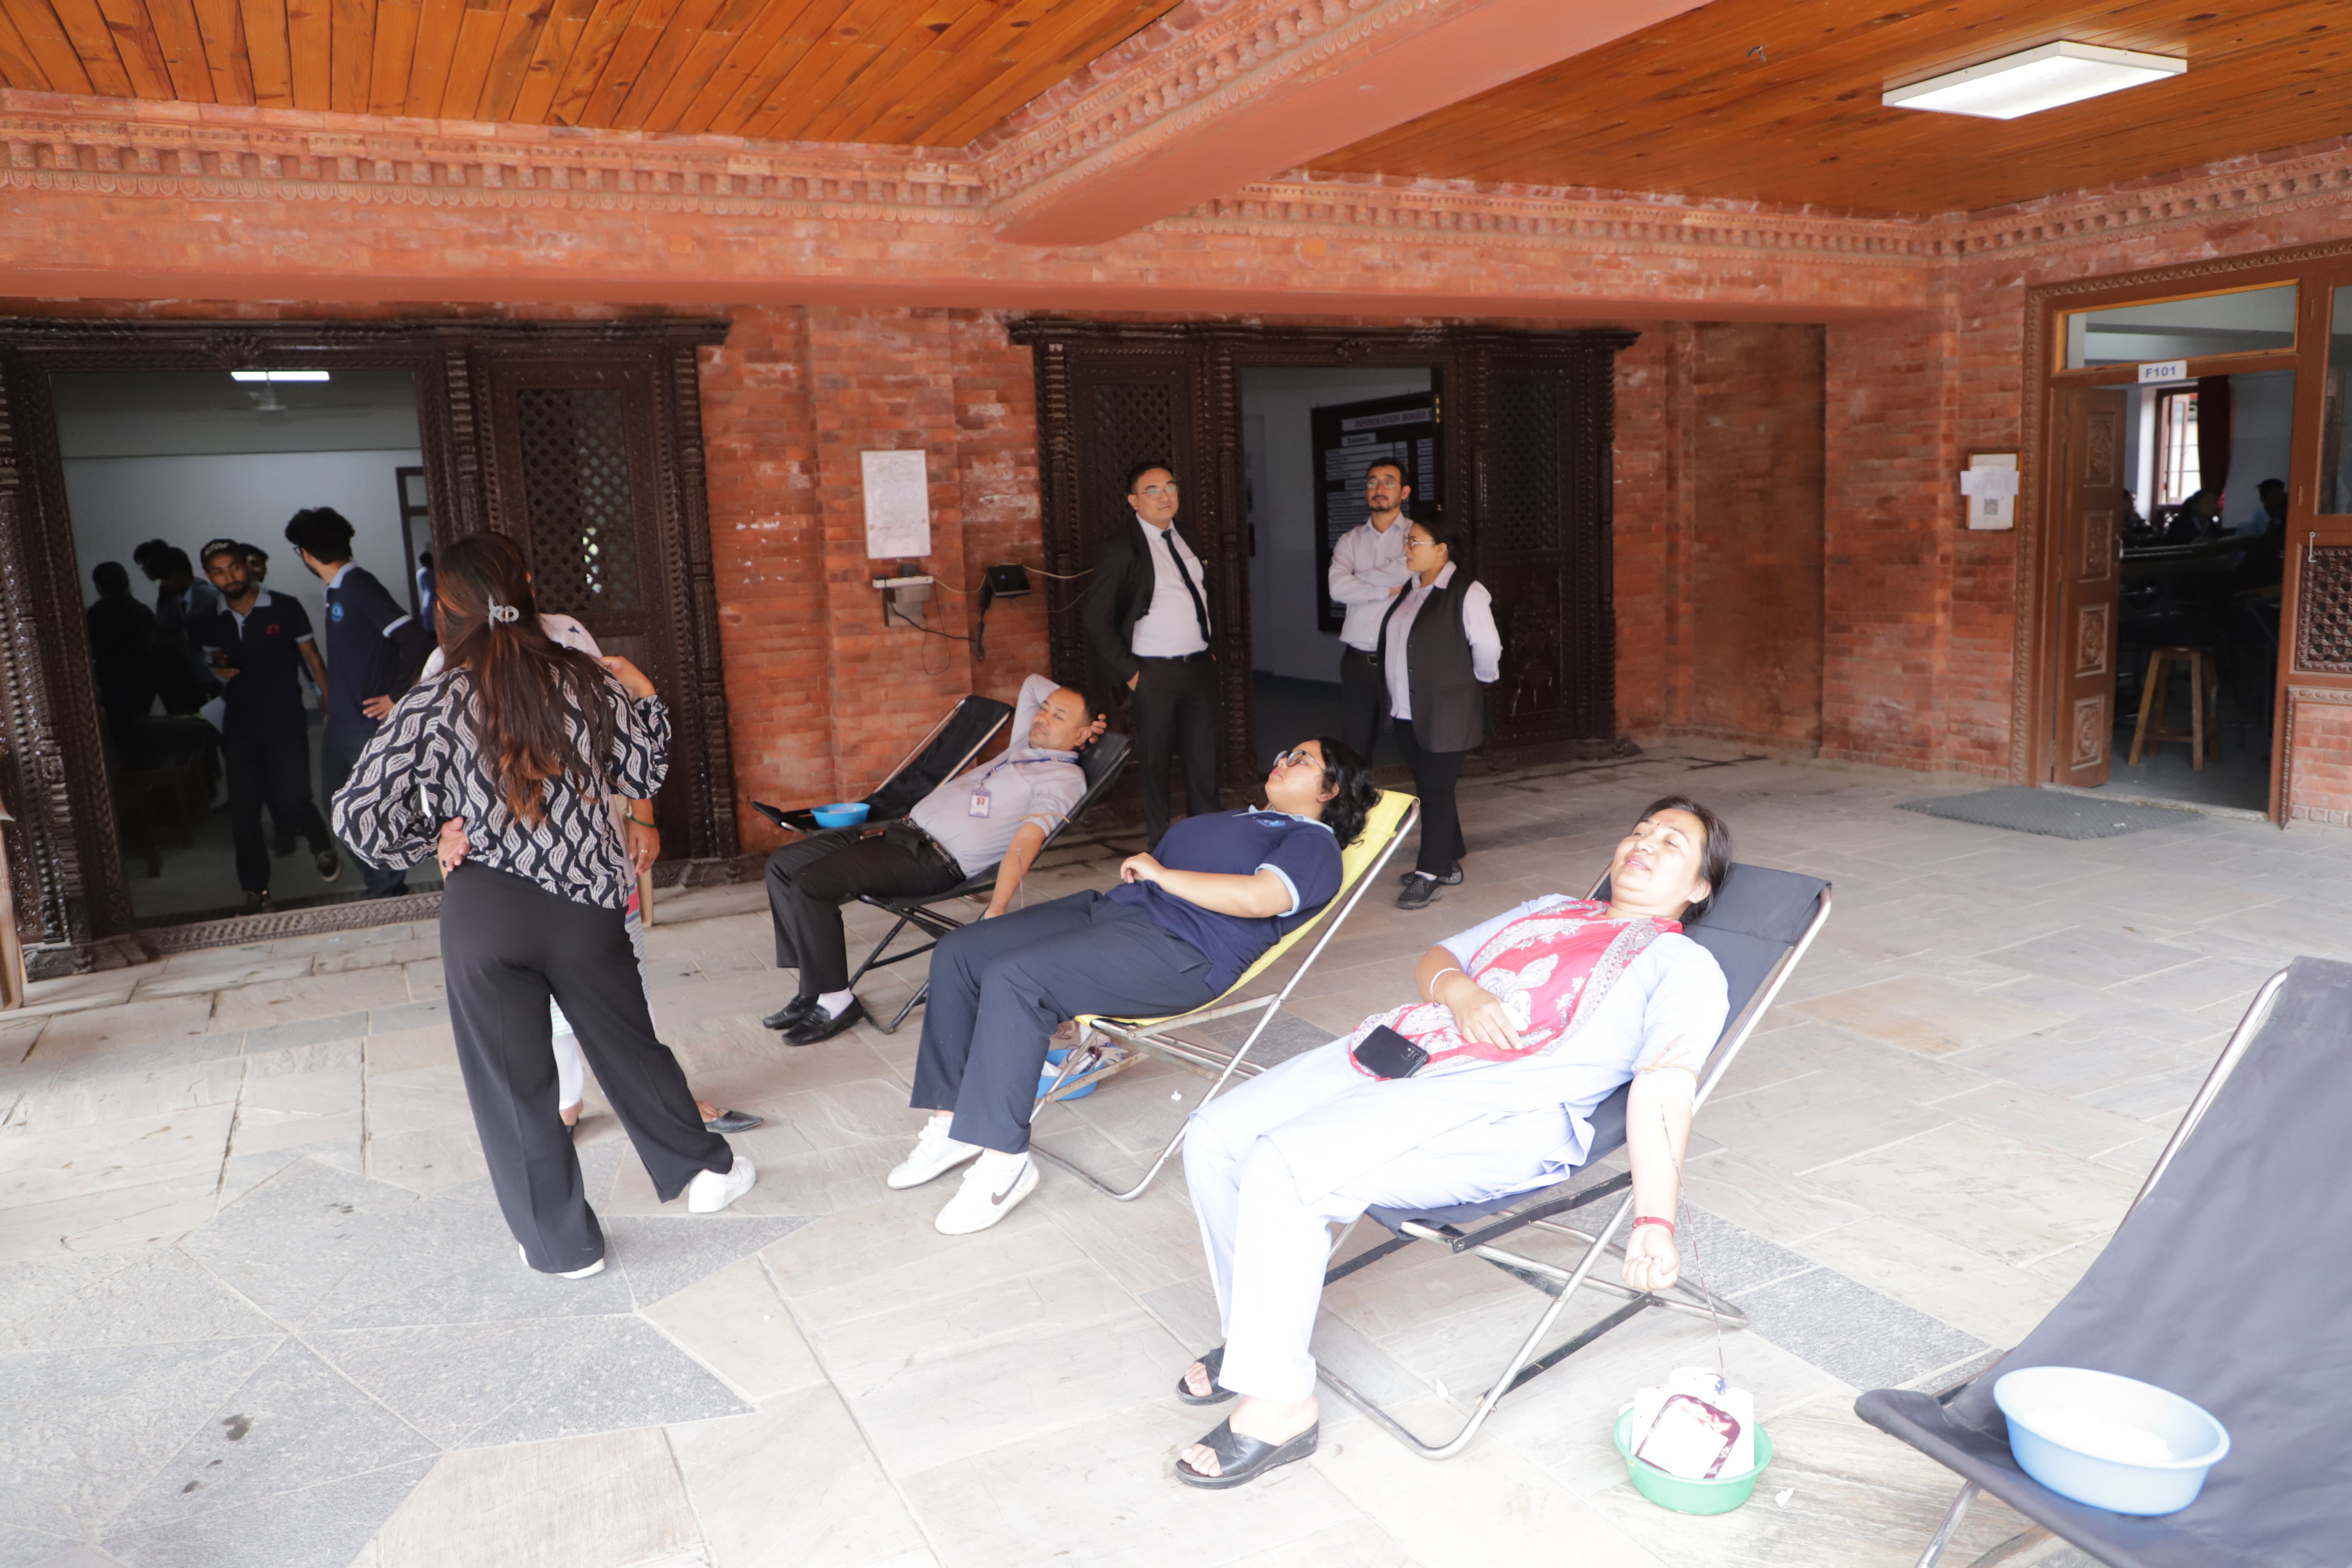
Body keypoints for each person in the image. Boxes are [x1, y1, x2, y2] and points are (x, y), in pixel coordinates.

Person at [1171, 796, 1733, 1488]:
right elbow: (1439, 959)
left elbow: (1665, 1087)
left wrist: (1654, 1220)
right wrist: (1462, 994)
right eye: (1641, 830)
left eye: (1673, 843)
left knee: (1283, 1165)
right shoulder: (1551, 909)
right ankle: (1257, 1345)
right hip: (1408, 1049)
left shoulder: (1683, 965)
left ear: (1698, 888)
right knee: (1215, 1136)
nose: (1645, 843)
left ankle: (1280, 1405)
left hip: (1501, 1109)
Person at [332, 533, 755, 1278]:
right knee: (630, 1048)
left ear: (446, 610)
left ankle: (564, 1249)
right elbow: (643, 771)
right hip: (585, 902)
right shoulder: (584, 678)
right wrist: (647, 695)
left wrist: (433, 838)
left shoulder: (432, 698)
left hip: (485, 910)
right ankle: (706, 1172)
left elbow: (357, 816)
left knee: (513, 1086)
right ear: (526, 591)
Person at [884, 738, 1377, 1236]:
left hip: (1182, 951)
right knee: (962, 951)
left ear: (1330, 790)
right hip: (1116, 913)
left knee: (1017, 979)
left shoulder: (1312, 842)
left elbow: (1260, 898)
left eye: (1302, 760)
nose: (1283, 761)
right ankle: (953, 1124)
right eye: (1284, 754)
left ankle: (1004, 1163)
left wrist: (1161, 873)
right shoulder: (1242, 819)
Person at [421, 535, 756, 1139]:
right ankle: (568, 1101)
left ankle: (660, 1100)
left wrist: (642, 815)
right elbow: (432, 772)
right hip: (506, 865)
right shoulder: (444, 666)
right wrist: (444, 830)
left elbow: (619, 739)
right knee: (539, 997)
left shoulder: (568, 638)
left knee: (619, 981)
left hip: (588, 851)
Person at [760, 674, 1107, 1044]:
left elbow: (1027, 840)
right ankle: (813, 987)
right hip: (898, 834)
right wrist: (1079, 710)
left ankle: (836, 1002)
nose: (1043, 718)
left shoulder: (1063, 778)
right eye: (1045, 710)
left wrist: (997, 906)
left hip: (931, 861)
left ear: (1081, 735)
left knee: (812, 882)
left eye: (1058, 717)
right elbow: (1033, 684)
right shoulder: (1025, 744)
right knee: (783, 865)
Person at [193, 538, 340, 912]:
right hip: (239, 722)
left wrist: (329, 700)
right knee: (245, 809)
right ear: (209, 577)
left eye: (234, 567)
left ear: (247, 566)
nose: (229, 577)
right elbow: (214, 661)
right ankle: (255, 889)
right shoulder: (209, 618)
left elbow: (313, 658)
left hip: (284, 718)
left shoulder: (284, 606)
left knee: (292, 796)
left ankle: (321, 844)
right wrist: (219, 668)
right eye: (218, 572)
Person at [1083, 460, 1220, 848]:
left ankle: (1208, 843)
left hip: (1198, 667)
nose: (1165, 496)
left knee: (1204, 760)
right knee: (1155, 763)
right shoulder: (1120, 549)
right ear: (1134, 501)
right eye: (1153, 490)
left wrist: (1211, 651)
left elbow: (1204, 597)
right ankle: (1162, 847)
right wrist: (1130, 673)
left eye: (1171, 487)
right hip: (1153, 672)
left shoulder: (1188, 535)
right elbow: (1096, 617)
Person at [287, 507, 421, 899]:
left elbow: (414, 639)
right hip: (341, 722)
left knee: (371, 810)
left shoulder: (359, 585)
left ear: (305, 554)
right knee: (338, 807)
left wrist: (396, 696)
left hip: (365, 725)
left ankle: (388, 888)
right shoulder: (338, 589)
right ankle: (381, 883)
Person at [1380, 518, 1501, 911]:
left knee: (1433, 791)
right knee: (1433, 787)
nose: (1407, 547)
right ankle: (1449, 858)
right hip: (1407, 710)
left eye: (1415, 541)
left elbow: (1487, 647)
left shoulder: (1467, 591)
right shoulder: (1413, 589)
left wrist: (1475, 682)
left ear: (1442, 549)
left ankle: (1429, 874)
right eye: (1408, 540)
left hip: (1446, 709)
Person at [1327, 458, 1417, 763]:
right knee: (1355, 751)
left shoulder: (1417, 536)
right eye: (1372, 483)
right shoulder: (1350, 540)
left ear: (1404, 492)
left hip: (1405, 661)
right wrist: (1387, 589)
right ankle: (1357, 797)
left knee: (1416, 744)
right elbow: (1337, 589)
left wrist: (1359, 580)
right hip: (1359, 664)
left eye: (1389, 482)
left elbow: (1408, 573)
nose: (1380, 489)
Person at [133, 539, 220, 714]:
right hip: (204, 673)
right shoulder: (184, 598)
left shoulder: (206, 597)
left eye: (167, 579)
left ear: (181, 575)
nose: (165, 584)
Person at [85, 561, 158, 741]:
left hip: (112, 681)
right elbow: (154, 645)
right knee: (143, 732)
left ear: (99, 586)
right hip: (142, 678)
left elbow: (91, 649)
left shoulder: (96, 614)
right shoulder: (142, 610)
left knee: (120, 735)